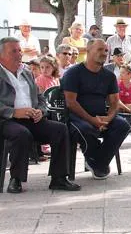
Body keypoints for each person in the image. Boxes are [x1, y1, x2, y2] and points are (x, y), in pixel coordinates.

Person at [0, 37, 80, 193]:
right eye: (14, 51)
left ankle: (59, 178)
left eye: (20, 50)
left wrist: (40, 111)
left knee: (60, 129)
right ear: (1, 55)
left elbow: (40, 97)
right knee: (21, 134)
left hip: (32, 118)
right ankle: (16, 179)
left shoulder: (26, 72)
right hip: (7, 120)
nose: (19, 54)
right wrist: (14, 112)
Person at [63, 38, 131, 180]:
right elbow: (71, 102)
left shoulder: (109, 76)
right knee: (85, 129)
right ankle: (98, 163)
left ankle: (96, 162)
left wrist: (108, 118)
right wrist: (92, 120)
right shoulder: (73, 73)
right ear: (88, 51)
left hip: (101, 115)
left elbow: (114, 102)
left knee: (123, 125)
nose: (104, 53)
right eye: (100, 49)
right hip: (77, 116)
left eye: (106, 50)